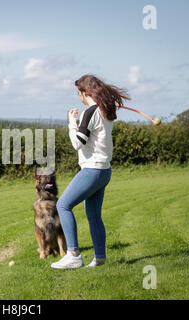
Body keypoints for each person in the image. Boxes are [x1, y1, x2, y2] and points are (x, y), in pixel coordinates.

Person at [51, 74, 130, 269]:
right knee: (94, 215)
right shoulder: (106, 111)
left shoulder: (91, 112)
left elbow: (78, 143)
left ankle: (74, 255)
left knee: (63, 205)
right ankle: (100, 259)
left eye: (78, 92)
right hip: (104, 171)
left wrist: (71, 122)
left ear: (84, 92)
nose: (78, 96)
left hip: (92, 170)